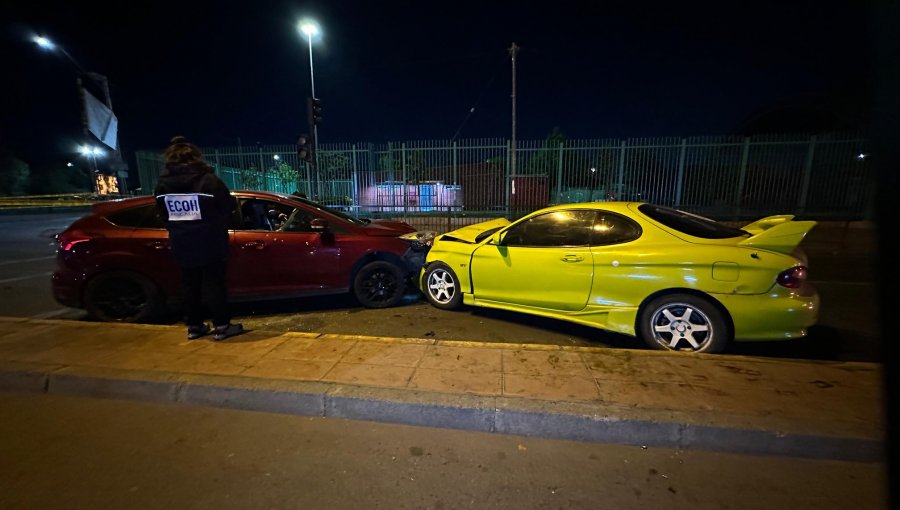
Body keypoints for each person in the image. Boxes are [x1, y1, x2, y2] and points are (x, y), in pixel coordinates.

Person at [155, 136, 244, 341]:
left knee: (189, 284)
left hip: (181, 242)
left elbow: (161, 213)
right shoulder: (208, 181)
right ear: (196, 157)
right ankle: (222, 326)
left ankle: (194, 327)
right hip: (210, 240)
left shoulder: (163, 185)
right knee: (214, 283)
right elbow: (228, 206)